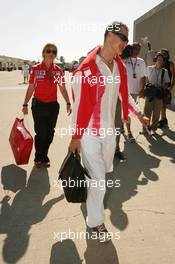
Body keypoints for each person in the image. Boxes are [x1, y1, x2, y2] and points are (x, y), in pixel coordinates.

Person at [69, 21, 149, 242]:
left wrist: (139, 114)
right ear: (109, 37)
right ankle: (96, 223)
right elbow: (77, 107)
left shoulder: (119, 68)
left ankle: (92, 198)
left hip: (109, 133)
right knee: (99, 180)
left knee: (101, 174)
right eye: (122, 38)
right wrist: (75, 136)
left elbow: (125, 96)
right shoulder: (87, 69)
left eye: (127, 39)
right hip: (88, 134)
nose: (126, 42)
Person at [22, 43, 72, 168]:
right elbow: (31, 87)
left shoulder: (58, 71)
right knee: (40, 132)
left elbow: (62, 88)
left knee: (50, 133)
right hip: (38, 105)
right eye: (49, 51)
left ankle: (43, 155)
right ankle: (39, 158)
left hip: (53, 106)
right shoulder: (36, 69)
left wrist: (68, 102)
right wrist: (25, 104)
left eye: (54, 52)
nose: (51, 54)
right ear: (44, 53)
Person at [123, 42, 147, 142]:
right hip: (124, 91)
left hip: (135, 91)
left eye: (138, 49)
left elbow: (143, 76)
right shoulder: (124, 59)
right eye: (134, 48)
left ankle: (125, 130)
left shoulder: (141, 61)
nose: (136, 51)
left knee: (129, 112)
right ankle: (129, 133)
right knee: (126, 113)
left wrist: (142, 89)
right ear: (130, 49)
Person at [143, 52, 170, 134]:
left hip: (159, 94)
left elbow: (166, 83)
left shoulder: (164, 71)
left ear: (163, 62)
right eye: (158, 59)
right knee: (147, 112)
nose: (159, 61)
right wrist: (145, 87)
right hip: (150, 93)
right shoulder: (149, 68)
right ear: (155, 60)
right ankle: (145, 129)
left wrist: (163, 89)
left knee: (157, 113)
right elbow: (145, 78)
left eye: (161, 60)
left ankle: (153, 129)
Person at [158, 48, 175, 127]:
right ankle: (164, 119)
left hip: (166, 86)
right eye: (161, 53)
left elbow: (174, 76)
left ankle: (162, 120)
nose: (162, 55)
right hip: (159, 86)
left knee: (163, 104)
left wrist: (171, 87)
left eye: (164, 54)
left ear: (167, 55)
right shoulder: (160, 62)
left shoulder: (170, 63)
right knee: (160, 104)